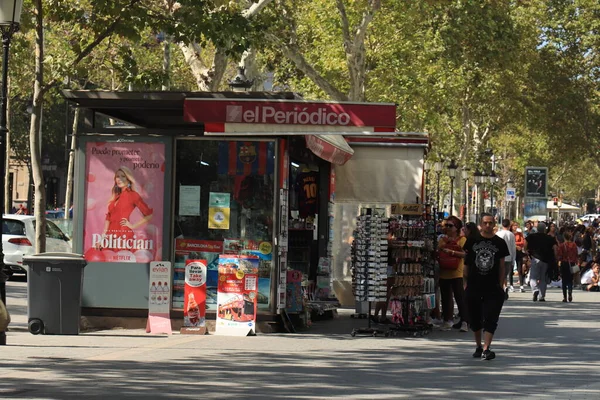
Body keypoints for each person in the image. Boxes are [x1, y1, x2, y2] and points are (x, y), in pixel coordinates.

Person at [463, 213, 509, 361]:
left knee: (491, 317)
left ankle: (486, 348)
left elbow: (502, 266)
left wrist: (501, 285)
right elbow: (467, 263)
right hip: (474, 285)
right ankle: (478, 345)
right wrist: (465, 283)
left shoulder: (500, 243)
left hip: (493, 287)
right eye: (485, 223)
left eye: (490, 223)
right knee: (475, 318)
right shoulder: (471, 241)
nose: (488, 225)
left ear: (494, 224)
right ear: (481, 224)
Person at [98, 166, 154, 250]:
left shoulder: (133, 195)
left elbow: (149, 215)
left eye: (123, 176)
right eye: (117, 176)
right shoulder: (116, 196)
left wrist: (133, 226)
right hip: (110, 236)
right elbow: (108, 218)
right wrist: (102, 238)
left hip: (123, 236)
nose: (119, 179)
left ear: (128, 179)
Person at [437, 216, 468, 332]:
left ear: (457, 227)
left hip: (456, 272)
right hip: (444, 271)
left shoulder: (462, 240)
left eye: (451, 225)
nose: (448, 228)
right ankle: (447, 320)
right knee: (445, 298)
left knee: (460, 297)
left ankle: (464, 321)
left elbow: (465, 255)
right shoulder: (442, 240)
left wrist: (452, 252)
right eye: (446, 225)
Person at [524, 222, 558, 302]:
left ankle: (535, 290)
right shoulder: (549, 238)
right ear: (544, 229)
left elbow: (525, 242)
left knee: (533, 277)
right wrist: (555, 257)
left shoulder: (532, 236)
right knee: (543, 279)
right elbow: (555, 248)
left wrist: (526, 251)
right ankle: (541, 296)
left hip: (535, 258)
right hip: (546, 260)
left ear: (537, 229)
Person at [496, 219, 516, 298]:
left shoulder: (498, 234)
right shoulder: (511, 234)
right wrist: (513, 260)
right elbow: (513, 248)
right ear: (509, 225)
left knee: (499, 275)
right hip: (508, 258)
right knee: (504, 275)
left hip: (499, 258)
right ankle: (505, 287)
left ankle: (502, 289)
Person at [558, 232, 578, 302]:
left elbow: (559, 256)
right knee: (570, 280)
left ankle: (565, 297)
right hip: (572, 263)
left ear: (564, 237)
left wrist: (559, 264)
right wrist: (576, 263)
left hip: (564, 263)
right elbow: (576, 255)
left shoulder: (562, 245)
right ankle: (570, 292)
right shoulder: (574, 245)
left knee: (564, 281)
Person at [511, 222, 527, 292]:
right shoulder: (510, 234)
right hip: (511, 252)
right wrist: (516, 245)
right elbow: (509, 242)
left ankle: (521, 286)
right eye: (514, 225)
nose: (515, 227)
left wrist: (516, 244)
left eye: (516, 226)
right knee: (510, 270)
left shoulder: (519, 234)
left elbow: (522, 242)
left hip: (518, 252)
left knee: (520, 269)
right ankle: (511, 286)